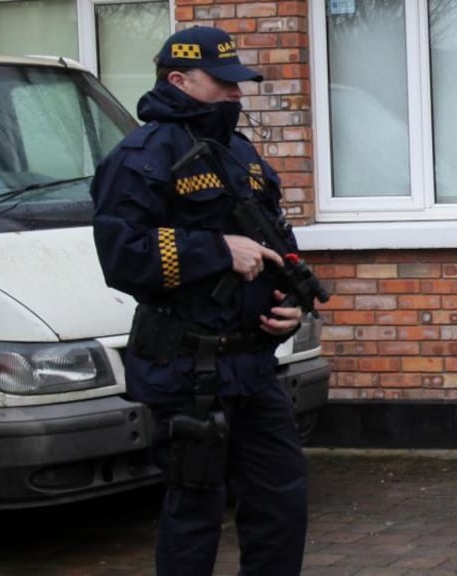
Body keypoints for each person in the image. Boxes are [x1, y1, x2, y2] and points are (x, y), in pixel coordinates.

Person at [90, 26, 307, 576]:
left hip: (253, 363)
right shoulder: (139, 156)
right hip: (187, 368)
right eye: (224, 83)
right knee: (194, 511)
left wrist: (292, 301)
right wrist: (214, 250)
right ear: (178, 80)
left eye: (239, 84)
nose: (237, 95)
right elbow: (122, 255)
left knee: (281, 503)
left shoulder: (238, 152)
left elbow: (277, 238)